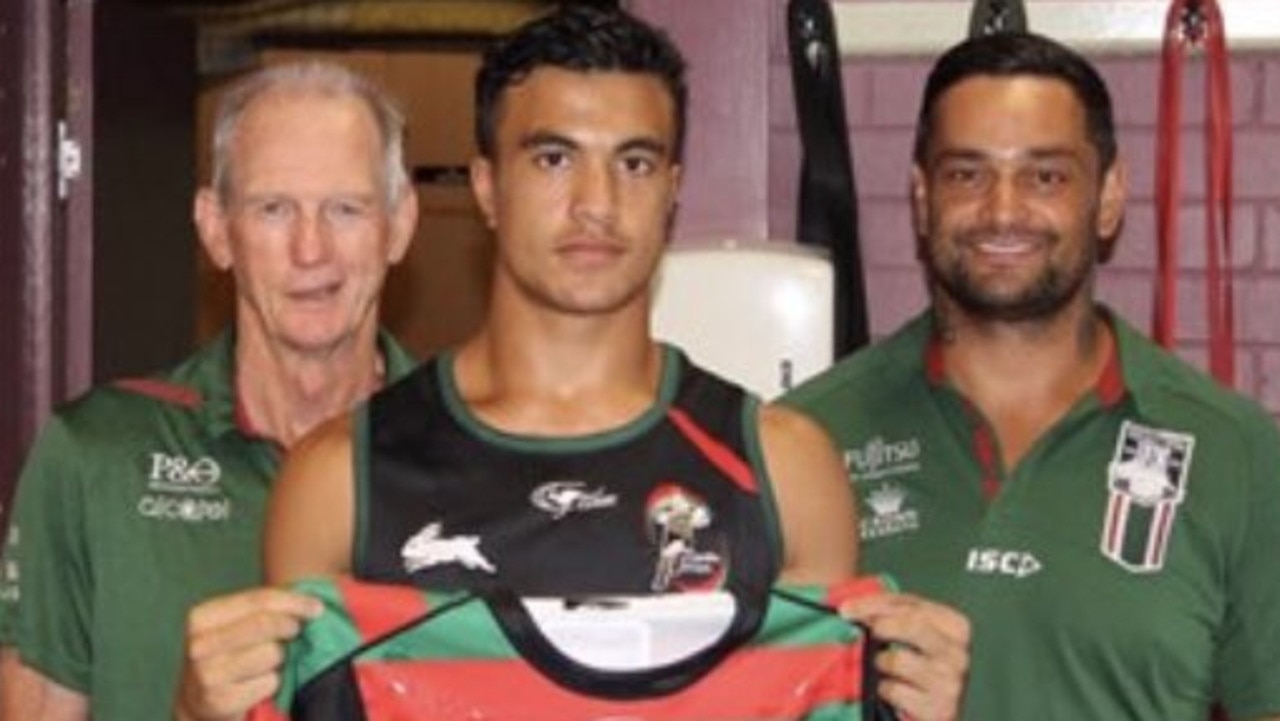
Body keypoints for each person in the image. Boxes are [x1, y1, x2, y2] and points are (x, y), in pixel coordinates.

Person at [176, 6, 969, 721]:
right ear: (487, 186)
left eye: (634, 163)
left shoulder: (787, 471)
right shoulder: (338, 479)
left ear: (673, 191)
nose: (596, 202)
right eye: (554, 159)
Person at [783, 30, 1280, 720]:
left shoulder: (1237, 450)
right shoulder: (804, 438)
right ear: (922, 198)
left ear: (1107, 196)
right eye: (967, 173)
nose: (1003, 210)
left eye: (1045, 175)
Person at [0, 61, 421, 721]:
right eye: (273, 208)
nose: (311, 249)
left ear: (398, 225)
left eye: (346, 208)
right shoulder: (94, 457)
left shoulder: (479, 457)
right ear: (216, 228)